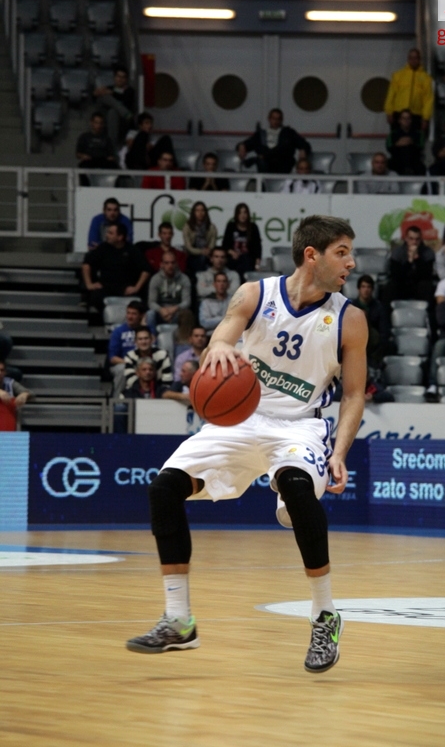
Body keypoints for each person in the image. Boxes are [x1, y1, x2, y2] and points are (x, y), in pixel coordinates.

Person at [125, 215, 367, 675]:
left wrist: (339, 452)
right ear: (311, 255)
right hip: (239, 420)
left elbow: (354, 394)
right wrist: (218, 347)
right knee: (163, 489)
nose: (351, 263)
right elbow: (223, 334)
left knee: (296, 488)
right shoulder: (256, 294)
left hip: (299, 427)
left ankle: (324, 615)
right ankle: (179, 620)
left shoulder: (350, 319)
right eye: (342, 252)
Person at [82, 222, 151, 312]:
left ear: (120, 237)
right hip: (105, 287)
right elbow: (86, 264)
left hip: (125, 289)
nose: (107, 235)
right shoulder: (103, 248)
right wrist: (89, 284)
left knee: (137, 302)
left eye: (110, 233)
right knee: (95, 297)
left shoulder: (132, 250)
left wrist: (136, 287)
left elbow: (146, 270)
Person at [236, 108, 311, 174]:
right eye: (274, 118)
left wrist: (303, 149)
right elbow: (247, 144)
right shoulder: (261, 134)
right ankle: (260, 160)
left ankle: (257, 159)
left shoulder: (288, 132)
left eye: (278, 119)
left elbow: (304, 144)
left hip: (282, 162)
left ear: (281, 120)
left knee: (285, 145)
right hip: (266, 164)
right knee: (262, 159)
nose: (276, 121)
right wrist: (241, 145)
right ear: (269, 119)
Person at [383, 48, 434, 133]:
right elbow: (391, 94)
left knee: (415, 139)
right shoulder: (398, 75)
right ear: (408, 59)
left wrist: (426, 118)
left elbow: (428, 100)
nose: (413, 60)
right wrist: (389, 112)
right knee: (397, 138)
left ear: (419, 59)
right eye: (411, 58)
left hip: (416, 115)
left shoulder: (426, 78)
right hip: (398, 114)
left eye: (416, 58)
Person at [146, 252, 194, 341]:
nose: (170, 266)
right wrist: (161, 310)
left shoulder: (184, 279)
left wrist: (174, 309)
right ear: (161, 264)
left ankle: (184, 341)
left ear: (176, 264)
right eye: (167, 263)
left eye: (172, 263)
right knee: (150, 314)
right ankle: (152, 339)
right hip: (160, 312)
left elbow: (187, 302)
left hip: (177, 312)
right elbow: (151, 302)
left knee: (188, 314)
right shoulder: (155, 279)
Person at [108, 300, 148, 396]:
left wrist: (143, 327)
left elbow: (153, 347)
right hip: (123, 363)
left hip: (144, 363)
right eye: (128, 313)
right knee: (123, 369)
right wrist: (130, 364)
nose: (130, 317)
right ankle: (117, 401)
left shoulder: (148, 330)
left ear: (141, 316)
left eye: (134, 314)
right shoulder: (118, 332)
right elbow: (113, 358)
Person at [388, 225, 435, 303]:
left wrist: (417, 259)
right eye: (411, 239)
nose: (414, 242)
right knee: (391, 286)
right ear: (406, 238)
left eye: (417, 239)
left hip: (419, 283)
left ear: (421, 239)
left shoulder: (428, 252)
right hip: (403, 283)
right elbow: (395, 275)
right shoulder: (398, 252)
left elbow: (427, 275)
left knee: (427, 286)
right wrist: (409, 261)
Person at [351, 274, 389, 367]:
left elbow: (384, 333)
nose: (366, 290)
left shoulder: (379, 307)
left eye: (368, 287)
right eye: (363, 287)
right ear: (358, 289)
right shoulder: (350, 307)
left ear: (372, 289)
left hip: (373, 348)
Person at [93, 65, 136, 149]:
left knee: (113, 111)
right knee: (104, 97)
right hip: (108, 118)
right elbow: (95, 98)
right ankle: (126, 113)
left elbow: (127, 101)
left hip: (123, 121)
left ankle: (111, 145)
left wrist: (113, 93)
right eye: (118, 76)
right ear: (114, 77)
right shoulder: (109, 88)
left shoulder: (129, 91)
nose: (120, 79)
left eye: (123, 77)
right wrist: (95, 93)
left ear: (126, 79)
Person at [221, 203, 262, 280]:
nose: (243, 215)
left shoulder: (253, 227)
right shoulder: (231, 226)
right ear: (236, 215)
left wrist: (257, 265)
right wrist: (232, 252)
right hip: (233, 259)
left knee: (245, 260)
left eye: (245, 212)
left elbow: (257, 248)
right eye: (240, 213)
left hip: (248, 260)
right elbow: (225, 245)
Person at [182, 201, 218, 277]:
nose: (200, 213)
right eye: (197, 210)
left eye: (202, 210)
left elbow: (212, 244)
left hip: (207, 254)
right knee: (200, 259)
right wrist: (201, 252)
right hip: (192, 254)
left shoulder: (211, 227)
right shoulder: (187, 226)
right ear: (193, 212)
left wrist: (208, 250)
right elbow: (188, 247)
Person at [386, 110, 426, 176]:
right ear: (399, 120)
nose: (406, 120)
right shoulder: (393, 134)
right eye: (404, 118)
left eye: (408, 118)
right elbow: (389, 147)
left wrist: (411, 143)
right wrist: (398, 144)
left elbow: (421, 147)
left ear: (411, 120)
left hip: (414, 161)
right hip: (397, 161)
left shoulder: (419, 133)